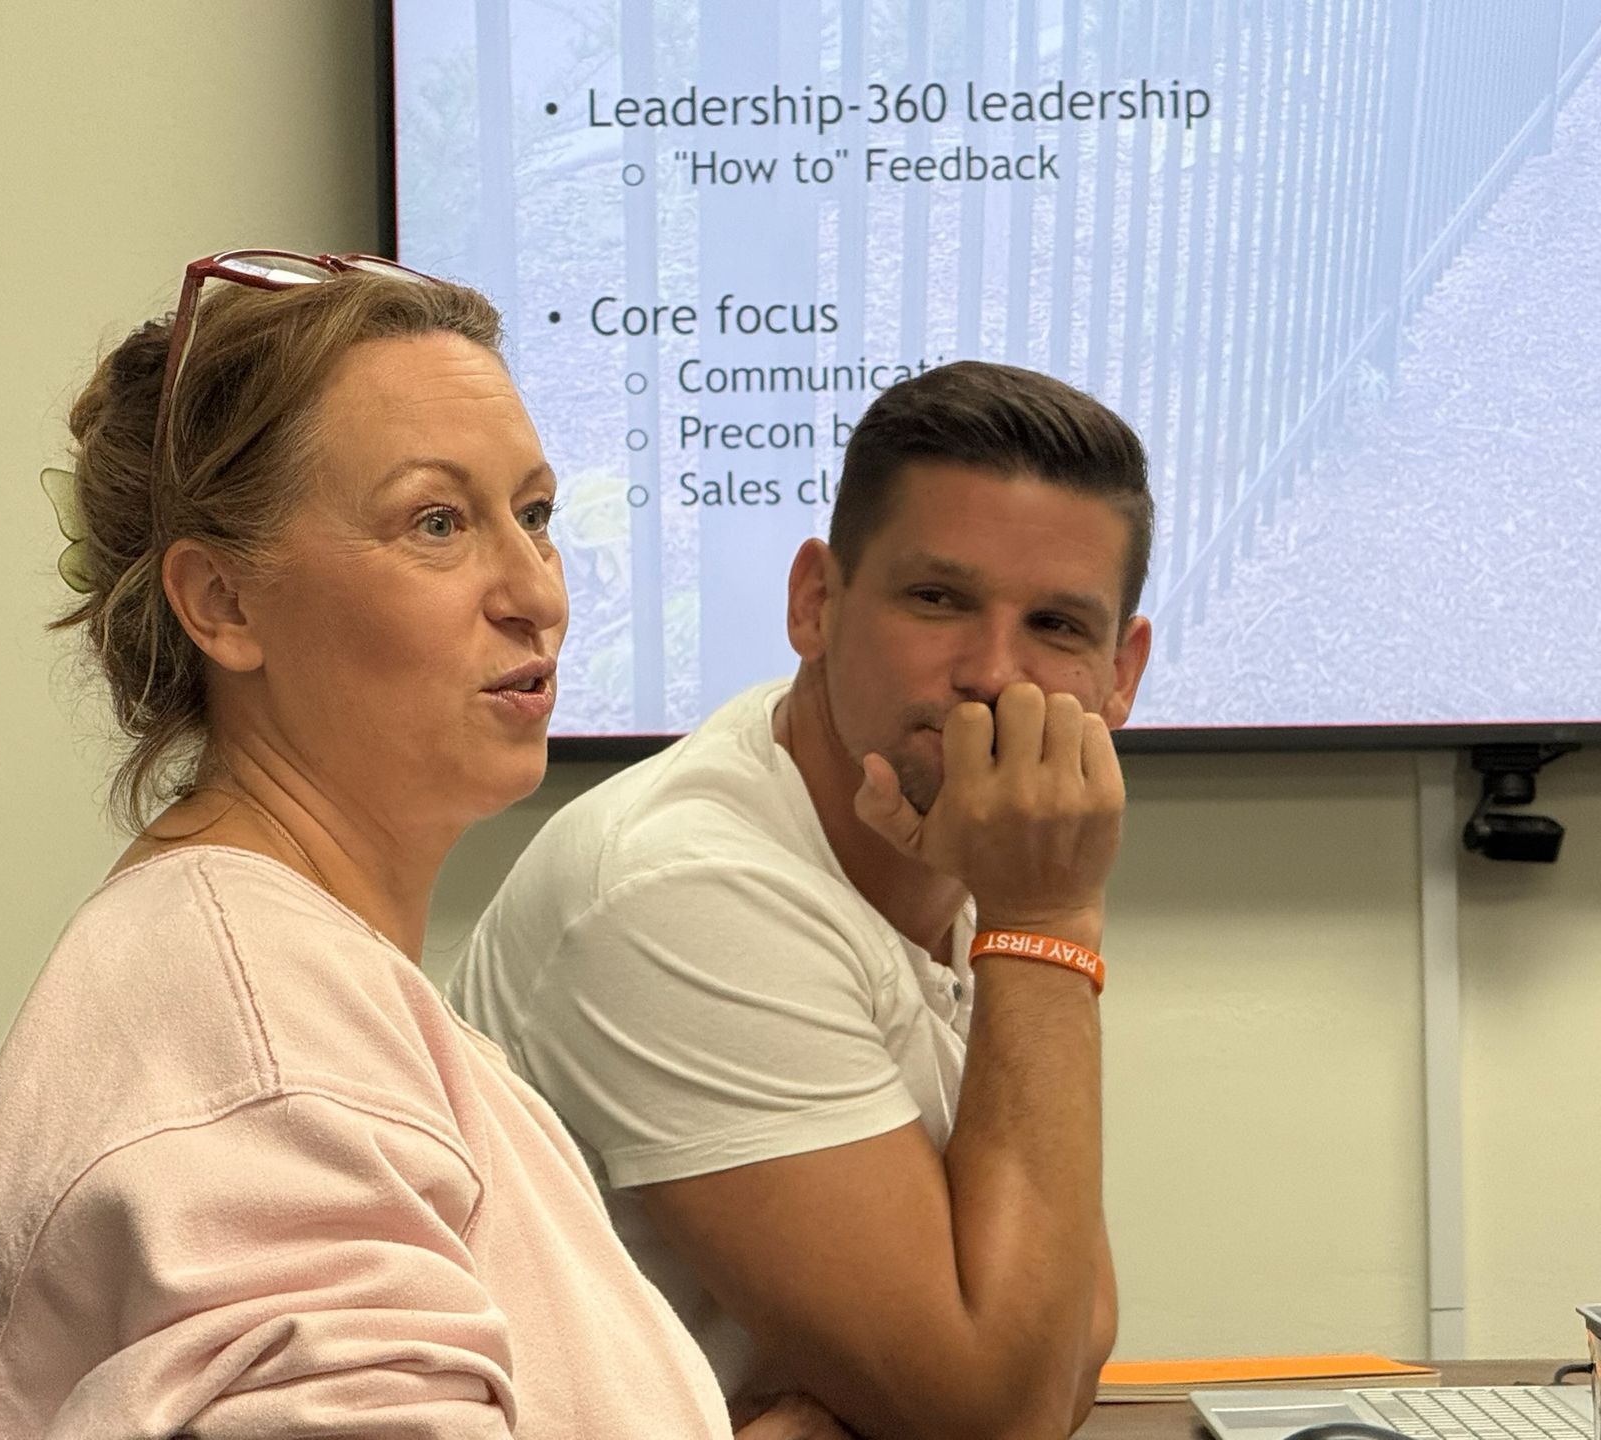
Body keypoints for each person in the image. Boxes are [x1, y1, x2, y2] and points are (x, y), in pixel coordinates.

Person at [0, 251, 846, 1440]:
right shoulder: (263, 1053)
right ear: (224, 605)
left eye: (538, 514)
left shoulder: (286, 978)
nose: (538, 592)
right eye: (438, 522)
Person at [450, 360, 1156, 1440]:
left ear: (1122, 674)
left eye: (1058, 627)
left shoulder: (945, 859)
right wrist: (1051, 923)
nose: (990, 671)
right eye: (938, 598)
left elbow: (1065, 1339)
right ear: (815, 604)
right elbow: (1004, 1411)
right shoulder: (685, 887)